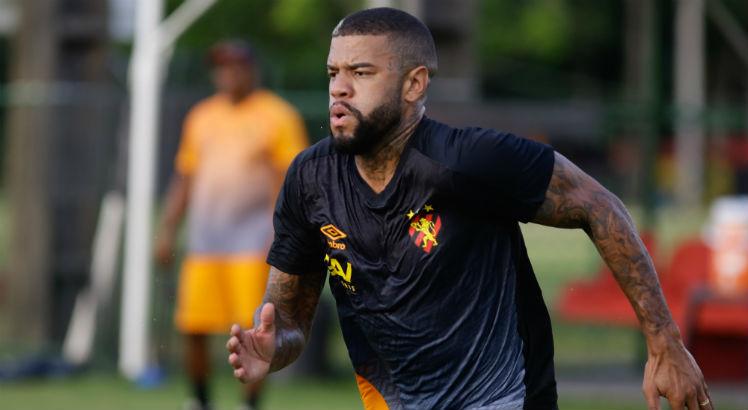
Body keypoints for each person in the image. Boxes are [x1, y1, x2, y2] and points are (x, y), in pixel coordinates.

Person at [226, 8, 711, 410]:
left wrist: (663, 341)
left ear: (415, 84)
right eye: (334, 73)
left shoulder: (468, 161)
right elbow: (290, 318)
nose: (339, 88)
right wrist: (273, 346)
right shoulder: (310, 180)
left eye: (362, 73)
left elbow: (600, 206)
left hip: (503, 396)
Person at [155, 40, 308, 410]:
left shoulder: (276, 115)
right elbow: (185, 177)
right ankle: (200, 399)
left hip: (253, 241)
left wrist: (285, 235)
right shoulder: (202, 116)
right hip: (206, 240)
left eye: (237, 66)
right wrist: (167, 229)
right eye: (222, 67)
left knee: (253, 328)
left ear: (252, 68)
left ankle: (249, 403)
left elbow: (291, 179)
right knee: (194, 325)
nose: (229, 73)